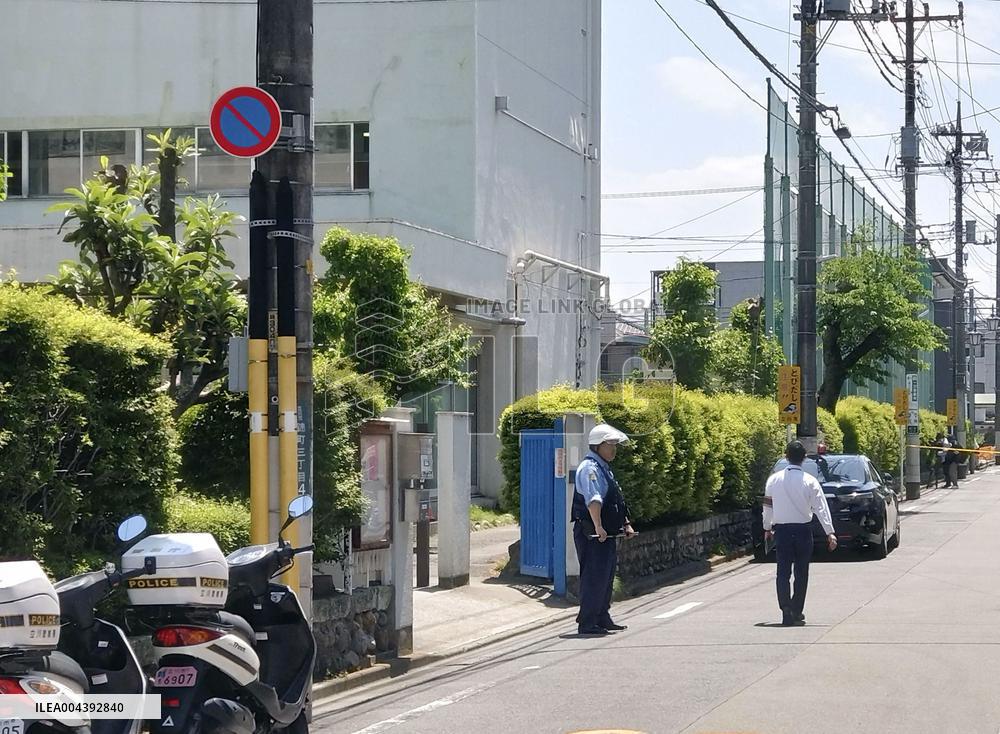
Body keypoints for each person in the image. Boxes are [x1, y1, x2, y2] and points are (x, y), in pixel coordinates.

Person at [571, 423, 637, 636]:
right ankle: (587, 622)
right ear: (597, 446)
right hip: (592, 533)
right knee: (594, 576)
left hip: (605, 533)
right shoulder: (589, 468)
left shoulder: (603, 467)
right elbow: (594, 500)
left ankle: (602, 617)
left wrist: (625, 523)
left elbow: (614, 499)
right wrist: (598, 526)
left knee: (606, 576)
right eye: (610, 445)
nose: (613, 449)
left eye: (615, 445)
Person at [763, 440, 837, 627]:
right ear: (804, 458)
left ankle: (785, 609)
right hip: (803, 530)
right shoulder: (810, 481)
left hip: (782, 530)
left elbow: (768, 506)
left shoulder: (773, 480)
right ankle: (797, 609)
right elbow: (821, 508)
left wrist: (767, 527)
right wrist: (830, 532)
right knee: (801, 572)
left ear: (786, 456)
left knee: (783, 572)